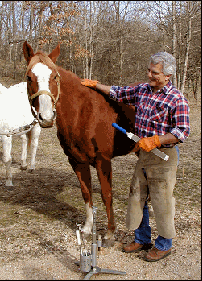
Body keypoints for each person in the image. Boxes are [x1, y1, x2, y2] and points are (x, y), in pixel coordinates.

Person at [81, 52, 190, 262]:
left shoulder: (176, 99)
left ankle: (164, 245)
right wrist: (96, 85)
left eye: (154, 72)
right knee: (136, 198)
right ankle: (142, 238)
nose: (149, 75)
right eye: (149, 70)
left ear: (168, 75)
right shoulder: (142, 90)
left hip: (163, 156)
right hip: (143, 155)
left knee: (162, 200)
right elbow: (118, 92)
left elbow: (183, 130)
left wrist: (157, 140)